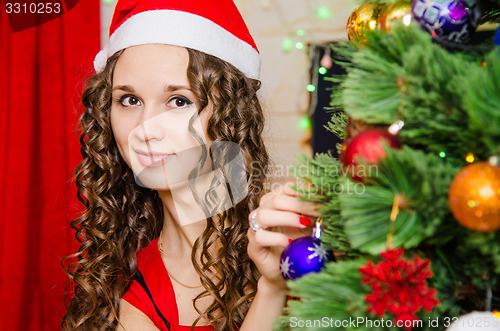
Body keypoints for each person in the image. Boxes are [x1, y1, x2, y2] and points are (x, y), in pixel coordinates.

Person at [62, 0, 317, 330]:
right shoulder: (128, 299)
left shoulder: (295, 235)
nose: (146, 128)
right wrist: (272, 288)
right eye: (129, 100)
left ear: (228, 115)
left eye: (179, 101)